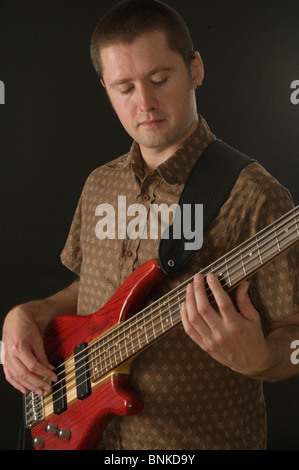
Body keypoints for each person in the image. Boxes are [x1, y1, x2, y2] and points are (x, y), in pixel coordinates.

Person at [2, 0, 299, 450]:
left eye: (160, 79)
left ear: (195, 68)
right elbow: (89, 291)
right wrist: (29, 313)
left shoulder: (256, 196)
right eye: (124, 87)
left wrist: (260, 359)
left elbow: (293, 339)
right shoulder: (99, 184)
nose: (145, 103)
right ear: (105, 88)